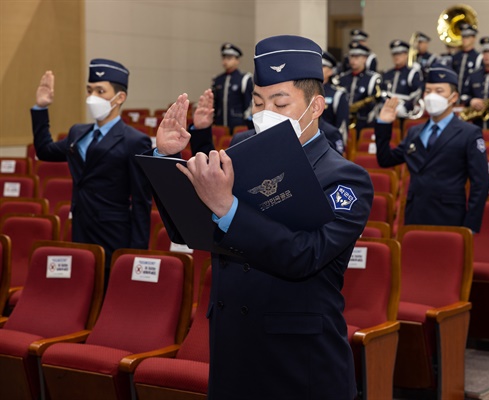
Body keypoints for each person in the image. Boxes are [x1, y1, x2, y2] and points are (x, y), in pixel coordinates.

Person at [153, 35, 374, 399]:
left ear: (316, 106)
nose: (264, 111)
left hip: (297, 361)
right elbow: (189, 231)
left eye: (279, 102)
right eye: (258, 101)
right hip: (232, 346)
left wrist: (228, 209)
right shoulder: (240, 149)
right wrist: (167, 160)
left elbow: (304, 256)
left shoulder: (345, 178)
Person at [31, 59, 152, 284]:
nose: (92, 97)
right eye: (90, 90)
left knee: (109, 294)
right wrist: (41, 108)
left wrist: (137, 253)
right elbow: (45, 151)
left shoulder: (135, 140)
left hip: (115, 234)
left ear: (120, 98)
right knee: (82, 292)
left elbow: (141, 200)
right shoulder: (79, 132)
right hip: (81, 229)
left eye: (100, 91)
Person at [374, 65, 489, 232]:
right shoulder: (414, 132)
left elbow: (480, 183)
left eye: (439, 91)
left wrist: (470, 225)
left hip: (450, 217)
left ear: (453, 97)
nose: (432, 96)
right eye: (428, 91)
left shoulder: (469, 133)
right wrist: (384, 124)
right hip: (415, 215)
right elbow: (386, 160)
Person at [338, 41, 383, 137]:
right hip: (343, 121)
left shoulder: (373, 78)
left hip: (364, 122)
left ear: (364, 59)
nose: (353, 60)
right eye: (351, 57)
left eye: (357, 57)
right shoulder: (342, 78)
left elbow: (375, 101)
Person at [211, 42, 253, 129]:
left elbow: (249, 103)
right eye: (224, 58)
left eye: (229, 58)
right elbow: (215, 103)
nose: (225, 61)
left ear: (237, 60)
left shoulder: (244, 79)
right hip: (220, 124)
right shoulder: (217, 80)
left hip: (239, 125)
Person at [381, 39, 424, 120]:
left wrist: (405, 106)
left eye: (400, 54)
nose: (397, 57)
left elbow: (417, 93)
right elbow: (383, 92)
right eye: (394, 54)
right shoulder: (387, 74)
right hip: (387, 110)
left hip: (404, 114)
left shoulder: (412, 73)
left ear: (406, 55)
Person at [321, 51, 350, 145]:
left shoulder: (337, 94)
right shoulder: (306, 92)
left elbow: (342, 126)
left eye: (322, 66)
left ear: (330, 71)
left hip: (330, 143)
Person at [452, 23, 482, 94]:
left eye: (467, 37)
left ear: (473, 38)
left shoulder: (478, 57)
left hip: (470, 94)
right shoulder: (456, 56)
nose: (464, 39)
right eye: (463, 37)